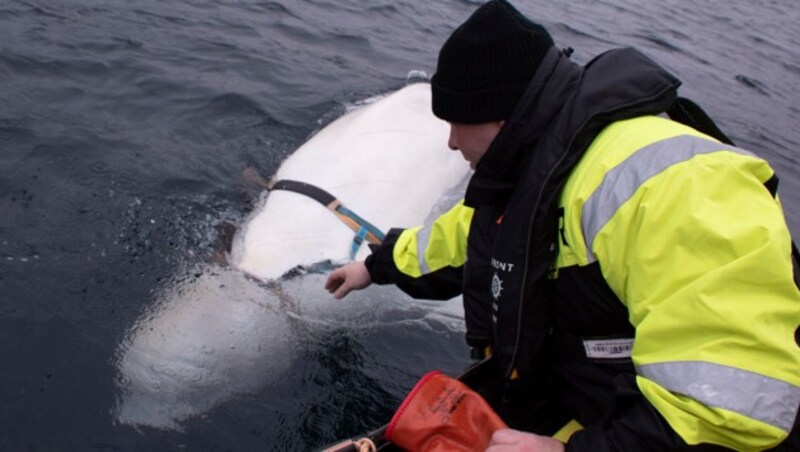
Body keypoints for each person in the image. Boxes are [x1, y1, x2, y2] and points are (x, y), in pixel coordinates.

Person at [325, 0, 800, 450]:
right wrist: (377, 266)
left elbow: (728, 412)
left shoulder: (681, 187)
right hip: (588, 399)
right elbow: (471, 237)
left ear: (501, 113)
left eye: (457, 123)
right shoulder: (539, 164)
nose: (450, 144)